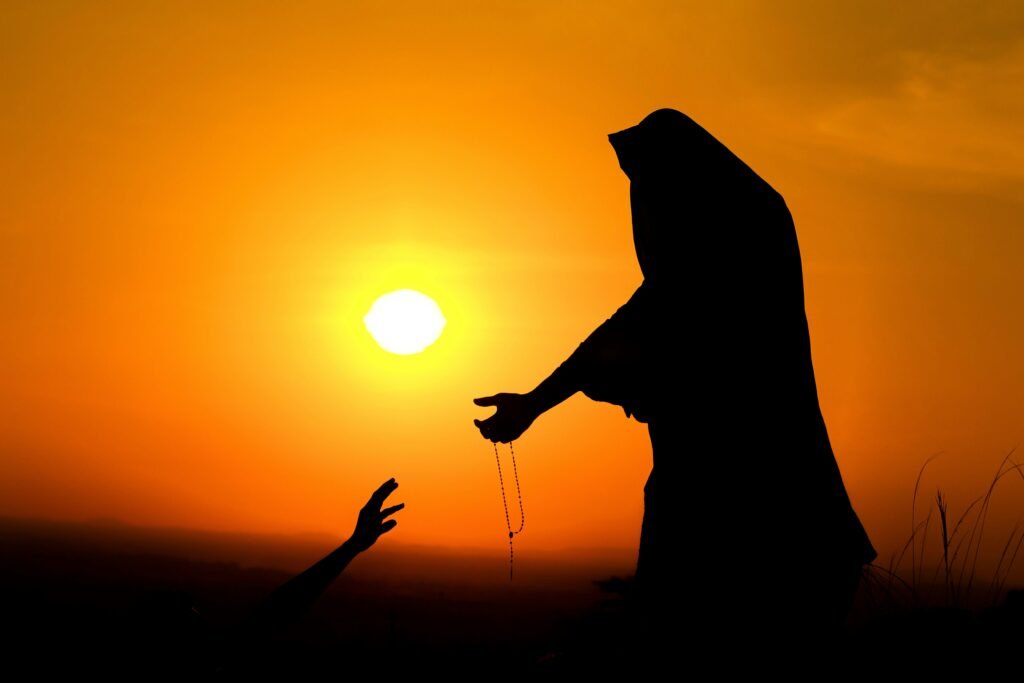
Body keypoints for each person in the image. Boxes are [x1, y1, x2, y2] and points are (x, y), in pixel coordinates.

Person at [473, 109, 876, 650]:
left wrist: (536, 403)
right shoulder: (729, 258)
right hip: (801, 533)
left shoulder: (714, 282)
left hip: (765, 540)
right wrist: (535, 403)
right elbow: (616, 344)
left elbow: (626, 343)